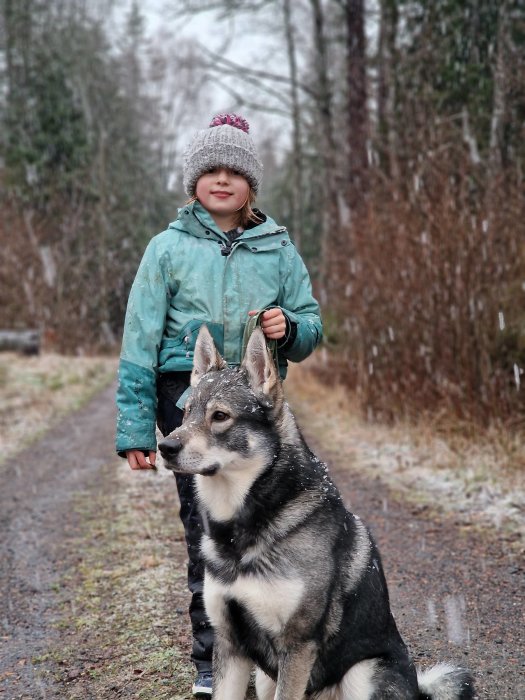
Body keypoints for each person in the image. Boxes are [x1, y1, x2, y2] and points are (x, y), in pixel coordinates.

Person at [115, 113, 323, 697]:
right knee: (207, 533)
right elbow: (138, 345)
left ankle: (272, 651)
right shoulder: (167, 249)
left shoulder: (278, 249)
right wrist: (135, 429)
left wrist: (290, 328)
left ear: (251, 183)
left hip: (255, 420)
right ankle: (215, 662)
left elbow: (310, 329)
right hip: (190, 408)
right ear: (194, 180)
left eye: (236, 170)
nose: (223, 180)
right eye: (212, 169)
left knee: (273, 530)